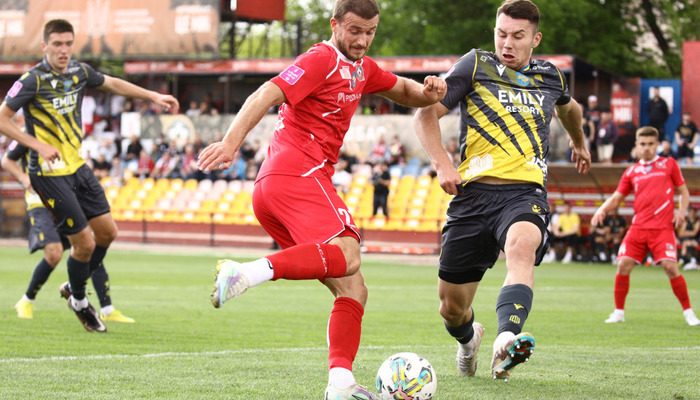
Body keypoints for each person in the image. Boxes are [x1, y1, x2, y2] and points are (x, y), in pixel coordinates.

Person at [196, 1, 446, 398]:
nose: (362, 40)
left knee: (353, 289)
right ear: (335, 24)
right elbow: (267, 92)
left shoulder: (363, 69)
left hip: (278, 185)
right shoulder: (321, 59)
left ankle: (340, 384)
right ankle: (244, 272)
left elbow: (403, 90)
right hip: (297, 174)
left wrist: (429, 92)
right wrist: (230, 143)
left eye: (370, 32)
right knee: (349, 254)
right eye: (354, 30)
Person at [413, 0, 591, 381]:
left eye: (518, 36)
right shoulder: (476, 64)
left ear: (535, 39)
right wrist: (443, 164)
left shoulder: (550, 77)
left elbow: (570, 110)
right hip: (472, 198)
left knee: (521, 247)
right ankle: (469, 341)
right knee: (451, 308)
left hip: (524, 193)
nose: (507, 43)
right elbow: (425, 114)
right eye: (501, 34)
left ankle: (507, 339)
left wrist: (579, 143)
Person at [0, 19, 178, 333]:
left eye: (68, 43)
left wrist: (152, 96)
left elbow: (113, 84)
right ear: (44, 46)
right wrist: (36, 145)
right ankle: (81, 302)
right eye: (57, 44)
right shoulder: (32, 80)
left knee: (108, 234)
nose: (64, 50)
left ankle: (72, 288)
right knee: (83, 244)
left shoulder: (79, 72)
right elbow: (2, 118)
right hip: (48, 175)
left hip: (77, 167)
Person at [3, 141, 134, 323]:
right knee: (54, 252)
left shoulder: (65, 130)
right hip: (39, 202)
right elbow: (6, 160)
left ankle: (107, 309)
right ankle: (27, 300)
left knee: (88, 246)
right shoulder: (29, 131)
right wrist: (25, 179)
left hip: (64, 198)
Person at [590, 126, 700, 326]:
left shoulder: (669, 164)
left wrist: (681, 212)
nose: (647, 147)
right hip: (638, 228)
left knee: (670, 267)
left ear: (657, 145)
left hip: (662, 228)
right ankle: (619, 312)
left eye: (650, 144)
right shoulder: (631, 171)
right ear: (637, 145)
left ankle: (689, 313)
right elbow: (617, 197)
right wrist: (602, 210)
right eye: (643, 144)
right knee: (623, 265)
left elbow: (683, 191)